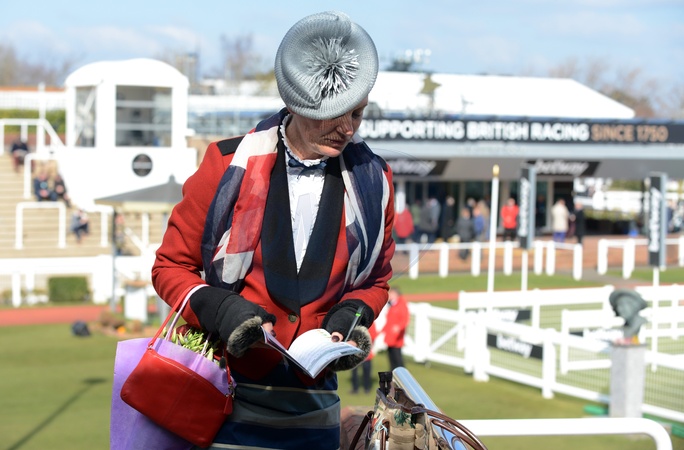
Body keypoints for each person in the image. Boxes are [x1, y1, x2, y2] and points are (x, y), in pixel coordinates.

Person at [151, 11, 395, 450]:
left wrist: (351, 316)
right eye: (333, 116)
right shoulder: (224, 163)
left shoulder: (376, 180)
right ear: (296, 104)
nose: (347, 129)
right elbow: (170, 266)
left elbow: (376, 281)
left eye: (358, 114)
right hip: (226, 403)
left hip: (317, 413)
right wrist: (220, 308)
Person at [382, 287, 410, 370]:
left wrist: (398, 327)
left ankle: (401, 375)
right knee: (392, 358)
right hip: (390, 335)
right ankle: (393, 374)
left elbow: (405, 319)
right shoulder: (393, 304)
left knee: (397, 359)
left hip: (396, 337)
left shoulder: (401, 305)